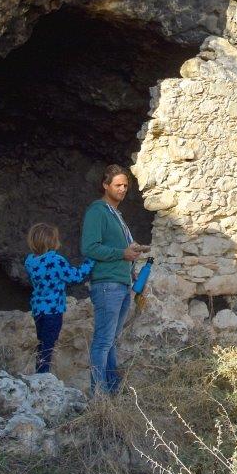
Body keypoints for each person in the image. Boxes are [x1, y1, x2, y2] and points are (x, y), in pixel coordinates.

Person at [81, 164, 149, 395]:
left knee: (110, 341)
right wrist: (122, 253)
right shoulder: (97, 211)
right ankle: (98, 395)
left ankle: (111, 392)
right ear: (105, 185)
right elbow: (89, 247)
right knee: (103, 341)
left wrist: (131, 262)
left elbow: (117, 249)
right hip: (107, 285)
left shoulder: (116, 215)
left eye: (125, 186)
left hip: (121, 283)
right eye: (118, 185)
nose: (122, 189)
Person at [23, 222, 93, 375]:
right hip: (53, 310)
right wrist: (89, 262)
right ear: (51, 241)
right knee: (48, 344)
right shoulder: (55, 260)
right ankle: (42, 376)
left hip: (38, 309)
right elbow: (75, 277)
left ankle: (40, 371)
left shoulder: (30, 261)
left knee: (42, 343)